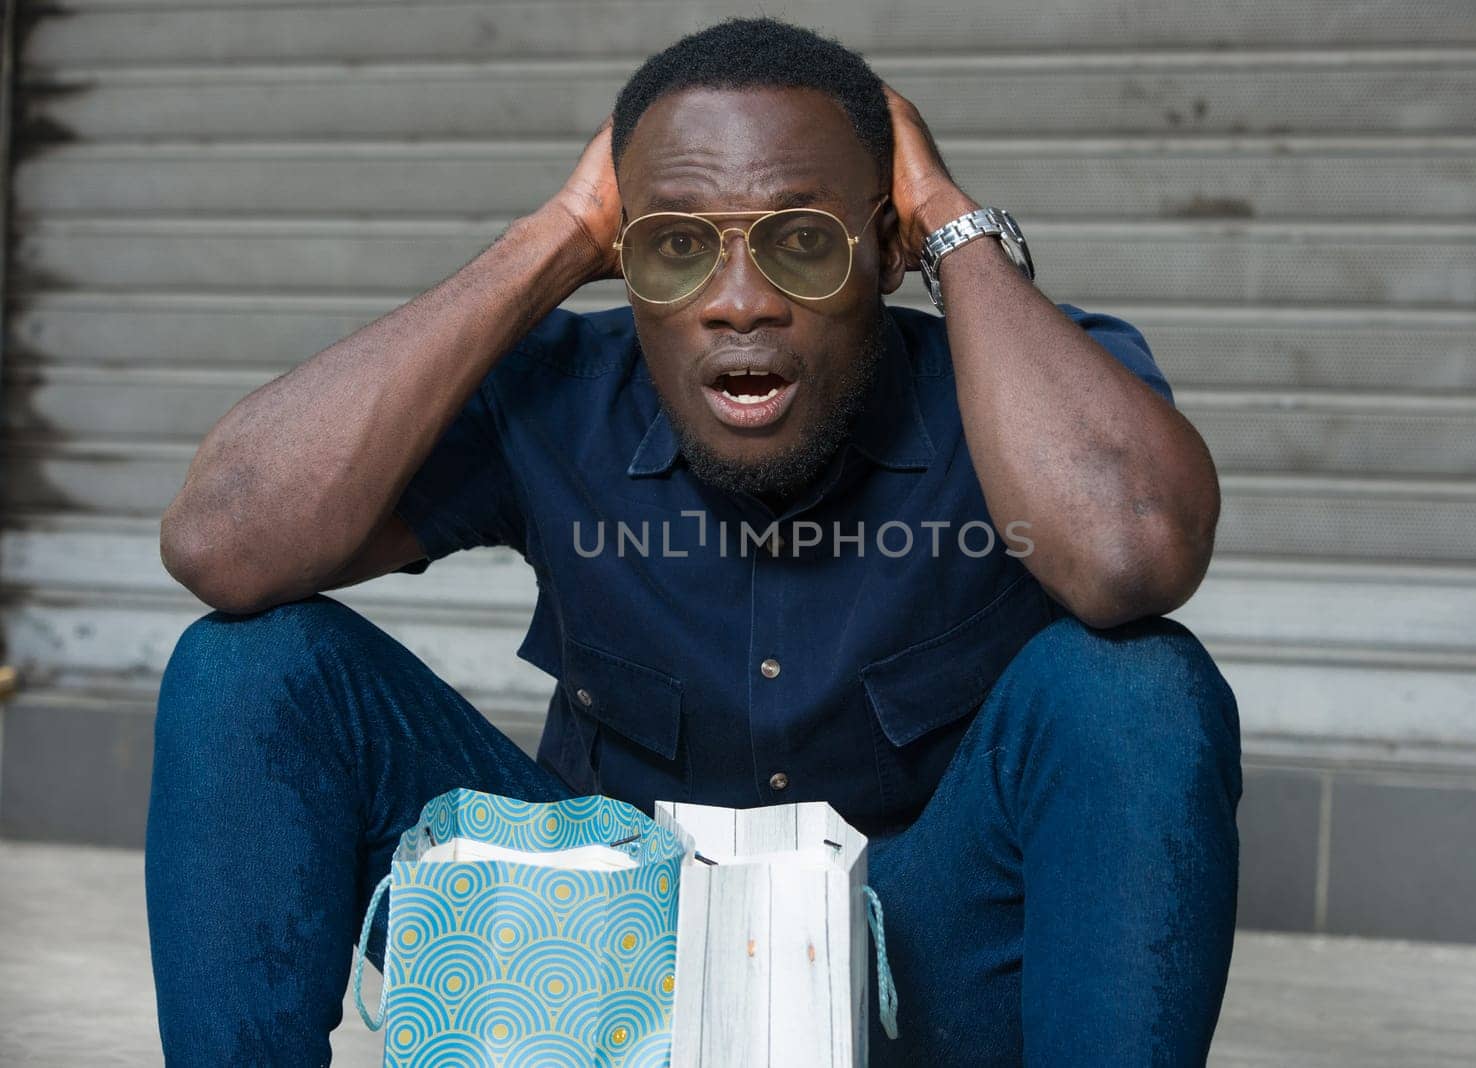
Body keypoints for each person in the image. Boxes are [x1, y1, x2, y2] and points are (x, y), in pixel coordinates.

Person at [149, 15, 1240, 1067]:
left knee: (1136, 683)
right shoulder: (561, 395)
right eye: (673, 248)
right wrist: (553, 236)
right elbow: (224, 542)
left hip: (913, 988)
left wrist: (950, 223)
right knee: (251, 665)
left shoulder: (1021, 388)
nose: (737, 302)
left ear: (885, 244)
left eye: (805, 243)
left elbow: (1128, 554)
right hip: (592, 976)